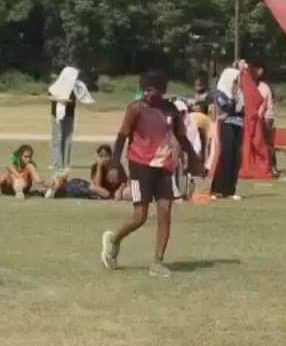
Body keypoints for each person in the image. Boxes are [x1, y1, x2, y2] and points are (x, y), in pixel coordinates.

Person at [100, 70, 199, 277]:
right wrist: (114, 166)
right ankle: (114, 239)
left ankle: (158, 262)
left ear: (161, 91)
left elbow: (181, 138)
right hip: (140, 165)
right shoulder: (135, 109)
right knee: (140, 217)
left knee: (165, 212)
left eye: (151, 90)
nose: (147, 94)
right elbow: (121, 137)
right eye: (144, 90)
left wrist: (194, 159)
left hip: (164, 166)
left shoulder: (171, 110)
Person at [210, 66, 244, 197]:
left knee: (236, 157)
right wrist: (234, 100)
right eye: (235, 80)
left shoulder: (239, 92)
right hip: (227, 124)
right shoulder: (222, 93)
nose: (237, 83)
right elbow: (226, 108)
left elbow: (242, 109)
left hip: (239, 124)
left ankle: (230, 190)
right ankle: (218, 188)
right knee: (226, 155)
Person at [239, 60, 273, 181]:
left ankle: (268, 166)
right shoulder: (246, 86)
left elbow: (265, 106)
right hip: (251, 120)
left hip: (262, 120)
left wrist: (265, 119)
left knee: (262, 145)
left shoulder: (264, 88)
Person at [259, 76, 277, 174]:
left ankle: (272, 167)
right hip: (263, 117)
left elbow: (263, 104)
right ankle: (268, 166)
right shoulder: (262, 86)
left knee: (267, 144)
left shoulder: (263, 87)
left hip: (266, 118)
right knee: (266, 143)